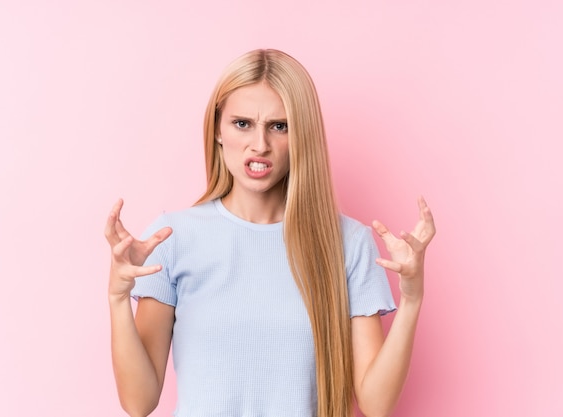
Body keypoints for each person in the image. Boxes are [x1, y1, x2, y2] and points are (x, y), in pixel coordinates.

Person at [105, 49, 435, 417]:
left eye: (279, 126)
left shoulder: (347, 243)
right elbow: (138, 402)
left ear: (301, 135)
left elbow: (376, 405)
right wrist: (119, 298)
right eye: (242, 123)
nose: (259, 144)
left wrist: (412, 298)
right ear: (217, 129)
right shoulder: (172, 238)